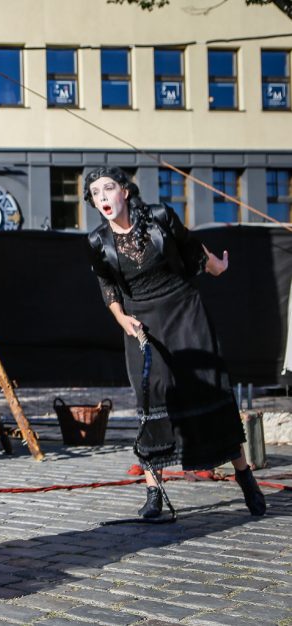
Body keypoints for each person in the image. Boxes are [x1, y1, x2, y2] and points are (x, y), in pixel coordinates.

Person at [85, 166, 266, 518]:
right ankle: (154, 491)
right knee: (152, 393)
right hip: (142, 321)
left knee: (208, 390)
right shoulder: (96, 241)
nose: (103, 197)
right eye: (95, 193)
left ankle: (244, 475)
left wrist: (215, 265)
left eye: (108, 188)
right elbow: (107, 285)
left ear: (124, 190)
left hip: (183, 308)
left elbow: (190, 247)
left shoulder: (158, 216)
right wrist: (122, 319)